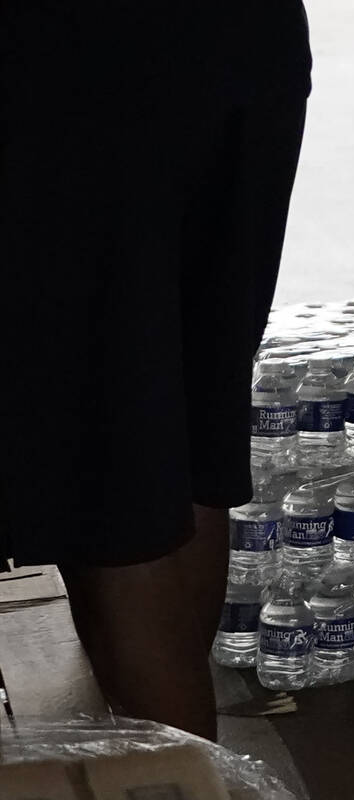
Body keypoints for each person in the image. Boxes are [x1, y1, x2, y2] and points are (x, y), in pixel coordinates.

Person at [0, 1, 312, 740]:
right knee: (179, 434)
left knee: (112, 462)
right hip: (241, 46)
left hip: (72, 66)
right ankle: (182, 767)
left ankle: (174, 775)